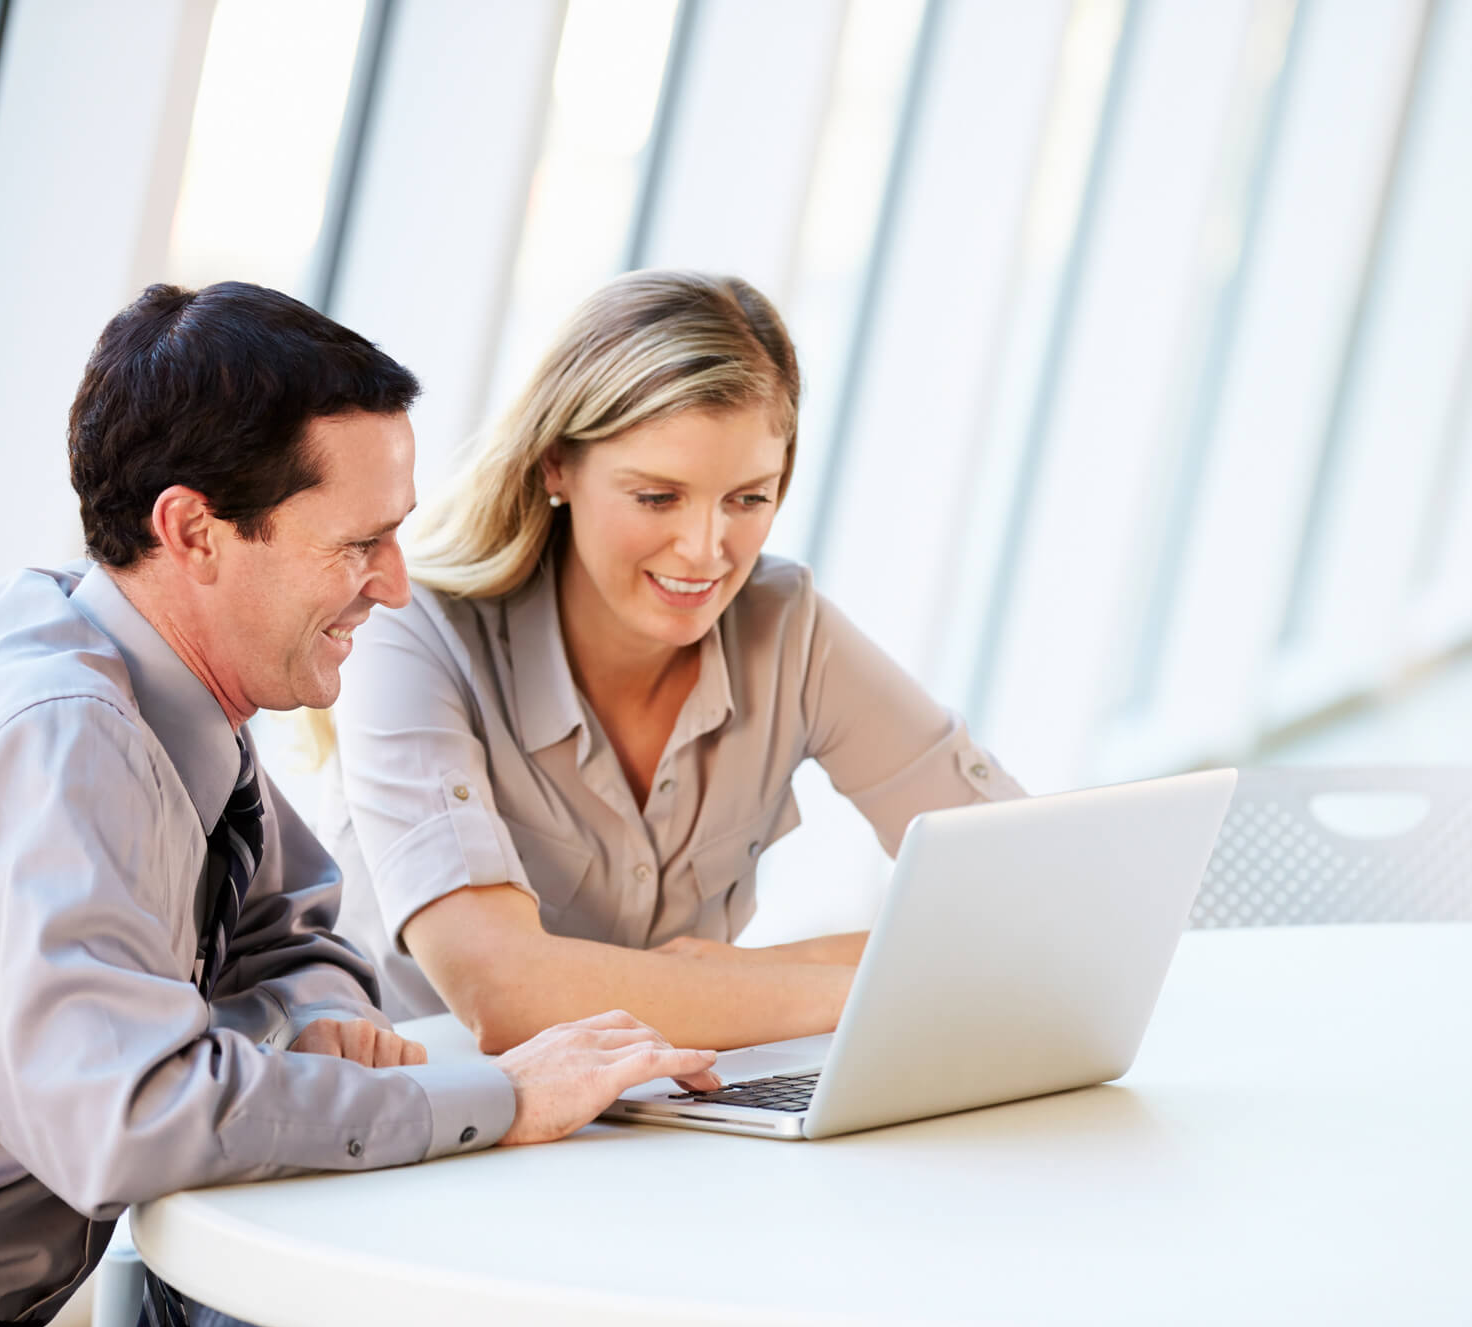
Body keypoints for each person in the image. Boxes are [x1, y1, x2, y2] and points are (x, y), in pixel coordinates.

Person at [0, 282, 717, 1327]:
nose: (392, 586)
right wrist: (500, 1101)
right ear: (194, 531)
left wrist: (315, 1015)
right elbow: (130, 1115)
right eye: (356, 544)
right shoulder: (64, 736)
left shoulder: (154, 684)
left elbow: (295, 930)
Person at [324, 270, 1024, 1055]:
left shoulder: (787, 629)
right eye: (658, 497)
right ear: (557, 463)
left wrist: (735, 977)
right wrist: (860, 986)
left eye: (749, 499)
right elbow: (502, 990)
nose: (705, 550)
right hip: (426, 1127)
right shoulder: (413, 632)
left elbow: (1022, 888)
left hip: (668, 1123)